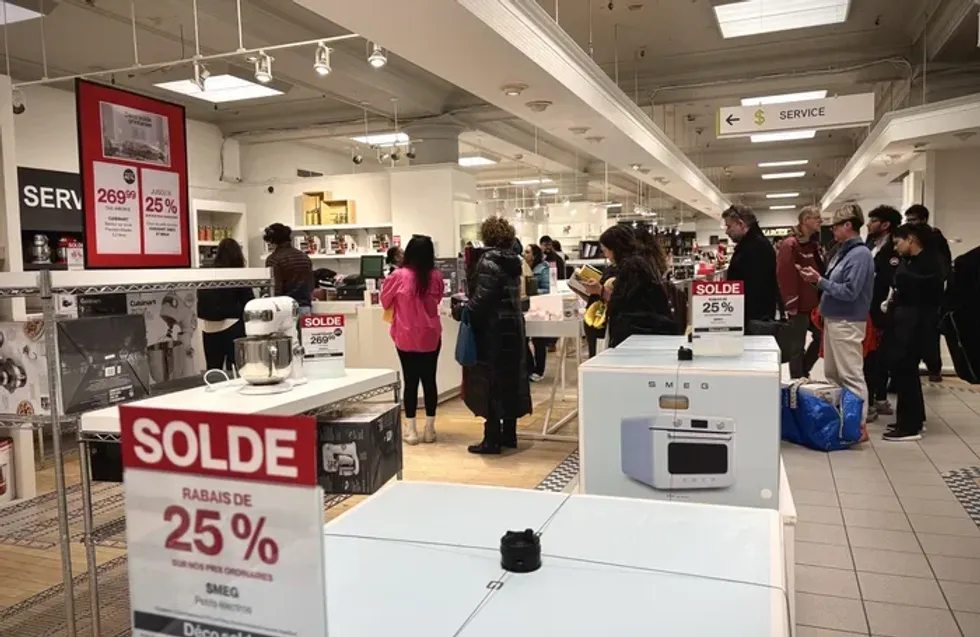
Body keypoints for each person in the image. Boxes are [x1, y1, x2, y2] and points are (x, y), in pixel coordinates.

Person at [798, 204, 875, 426]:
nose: (832, 231)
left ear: (848, 225)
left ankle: (857, 424)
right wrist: (818, 281)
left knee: (850, 375)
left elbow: (851, 291)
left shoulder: (860, 255)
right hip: (834, 319)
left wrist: (820, 281)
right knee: (833, 373)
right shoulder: (842, 252)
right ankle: (842, 419)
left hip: (847, 321)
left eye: (836, 226)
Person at [461, 217, 532, 454]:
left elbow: (482, 298)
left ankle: (491, 439)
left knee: (489, 382)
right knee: (510, 380)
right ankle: (509, 434)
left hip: (492, 331)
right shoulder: (514, 261)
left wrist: (462, 310)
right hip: (513, 327)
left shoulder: (487, 261)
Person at [880, 224, 944, 441]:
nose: (897, 249)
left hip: (916, 326)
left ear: (911, 239)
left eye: (898, 243)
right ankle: (913, 419)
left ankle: (909, 427)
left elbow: (924, 291)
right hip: (907, 323)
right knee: (906, 373)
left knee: (905, 371)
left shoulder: (929, 264)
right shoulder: (914, 263)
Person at [381, 236, 443, 445]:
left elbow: (384, 301)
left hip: (405, 335)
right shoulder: (435, 276)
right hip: (431, 335)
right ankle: (430, 429)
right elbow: (438, 299)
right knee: (430, 380)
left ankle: (411, 431)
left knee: (410, 381)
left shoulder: (398, 276)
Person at [582, 225, 674, 347]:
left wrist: (600, 291)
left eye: (605, 250)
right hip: (646, 331)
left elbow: (626, 303)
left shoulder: (632, 266)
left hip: (639, 333)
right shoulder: (639, 262)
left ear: (614, 248)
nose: (606, 256)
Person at [864, 205, 903, 420]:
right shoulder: (869, 245)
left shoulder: (893, 250)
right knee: (870, 356)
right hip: (867, 307)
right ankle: (874, 398)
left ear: (886, 224)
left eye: (873, 220)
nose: (869, 224)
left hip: (882, 309)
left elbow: (888, 280)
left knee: (878, 357)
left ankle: (876, 399)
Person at [776, 206, 825, 378]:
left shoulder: (813, 244)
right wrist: (791, 302)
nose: (821, 220)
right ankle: (798, 381)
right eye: (816, 217)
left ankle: (803, 371)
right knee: (797, 346)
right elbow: (785, 274)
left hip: (815, 303)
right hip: (799, 305)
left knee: (822, 338)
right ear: (805, 221)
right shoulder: (790, 244)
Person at [904, 204, 951, 382]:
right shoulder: (908, 238)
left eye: (914, 220)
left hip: (931, 296)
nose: (911, 224)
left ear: (924, 220)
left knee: (930, 334)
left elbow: (944, 265)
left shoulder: (935, 239)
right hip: (911, 296)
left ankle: (934, 369)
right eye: (908, 220)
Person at [197, 239, 255, 371]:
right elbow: (249, 302)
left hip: (208, 326)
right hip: (232, 324)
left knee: (213, 369)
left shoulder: (207, 272)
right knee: (235, 368)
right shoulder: (237, 273)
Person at [722, 204, 780, 325]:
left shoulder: (755, 247)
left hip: (754, 320)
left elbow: (754, 288)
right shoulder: (754, 244)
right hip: (752, 317)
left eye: (729, 226)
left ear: (741, 224)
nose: (726, 231)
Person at [263, 223, 313, 313]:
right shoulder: (304, 256)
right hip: (305, 306)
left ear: (272, 240)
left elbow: (275, 288)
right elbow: (310, 283)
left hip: (284, 308)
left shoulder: (273, 259)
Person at [524, 244, 550, 381]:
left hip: (539, 308)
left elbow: (547, 288)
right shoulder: (522, 267)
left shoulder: (543, 269)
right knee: (523, 339)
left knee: (539, 340)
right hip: (525, 307)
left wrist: (532, 291)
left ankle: (539, 370)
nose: (525, 254)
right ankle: (529, 368)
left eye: (528, 252)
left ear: (534, 255)